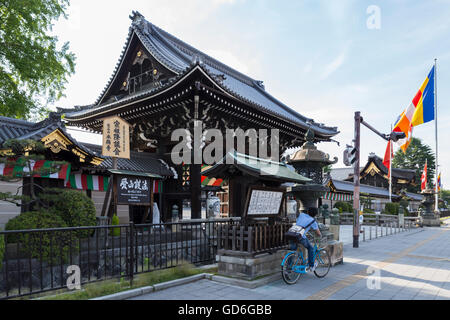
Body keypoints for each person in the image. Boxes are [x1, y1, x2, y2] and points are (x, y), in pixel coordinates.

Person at [294, 207, 321, 272]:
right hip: (300, 236)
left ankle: (287, 270)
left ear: (308, 211)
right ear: (315, 214)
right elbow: (318, 232)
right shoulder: (313, 221)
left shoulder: (302, 214)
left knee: (293, 251)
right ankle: (311, 266)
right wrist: (320, 235)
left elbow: (300, 224)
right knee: (310, 248)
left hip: (292, 234)